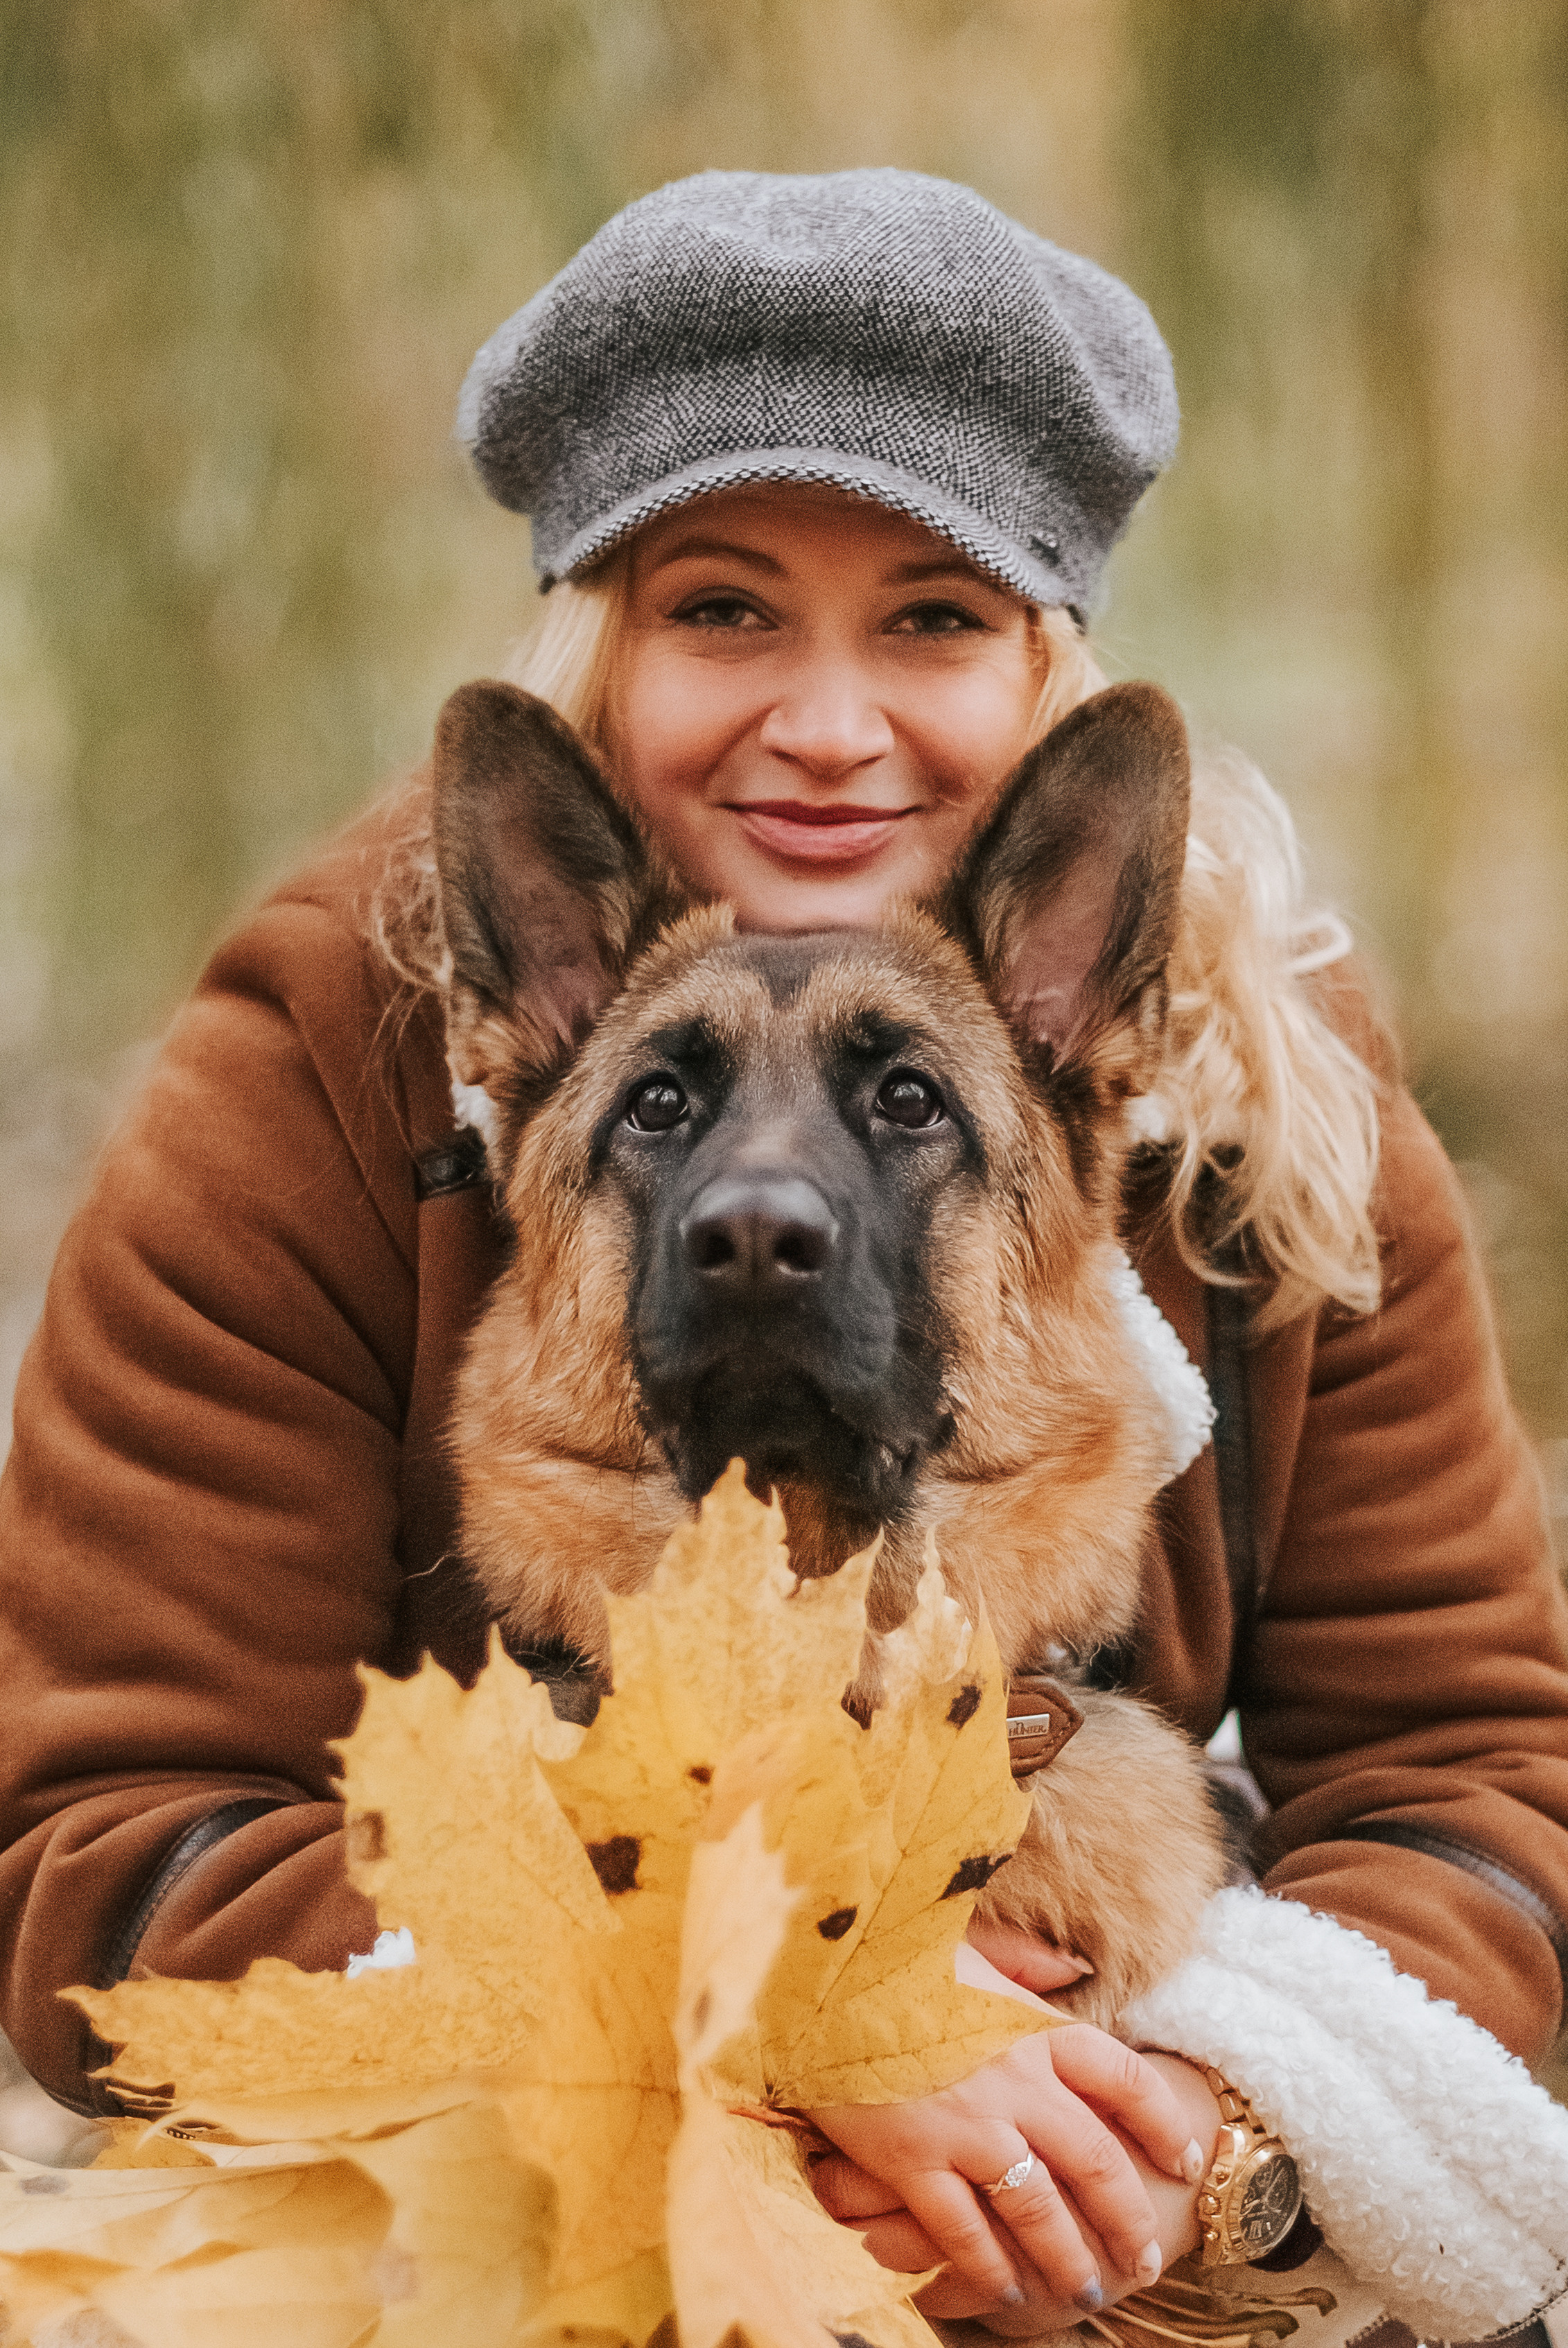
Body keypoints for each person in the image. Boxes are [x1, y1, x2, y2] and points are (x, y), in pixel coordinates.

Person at [2, 168, 1567, 2338]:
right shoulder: (322, 1069)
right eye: (726, 609)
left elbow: (1472, 1779)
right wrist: (751, 2013)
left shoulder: (1260, 1080)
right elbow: (116, 1838)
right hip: (468, 2183)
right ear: (599, 647)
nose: (829, 723)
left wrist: (1213, 2150)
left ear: (1042, 661)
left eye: (930, 616)